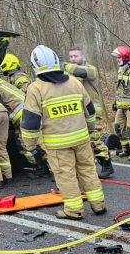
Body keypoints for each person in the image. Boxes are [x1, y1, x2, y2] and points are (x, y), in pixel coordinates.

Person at [20, 45, 105, 219]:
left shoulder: (36, 88)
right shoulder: (74, 82)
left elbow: (31, 122)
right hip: (81, 139)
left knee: (66, 175)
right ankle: (99, 204)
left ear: (35, 65)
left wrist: (30, 146)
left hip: (57, 145)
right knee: (88, 169)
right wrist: (90, 130)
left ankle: (74, 210)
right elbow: (89, 111)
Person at [62, 48, 114, 178]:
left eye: (76, 56)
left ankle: (106, 163)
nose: (73, 59)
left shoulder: (91, 69)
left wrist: (62, 65)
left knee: (93, 139)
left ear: (83, 57)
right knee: (80, 141)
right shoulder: (69, 73)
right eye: (71, 56)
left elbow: (81, 72)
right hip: (76, 111)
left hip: (92, 111)